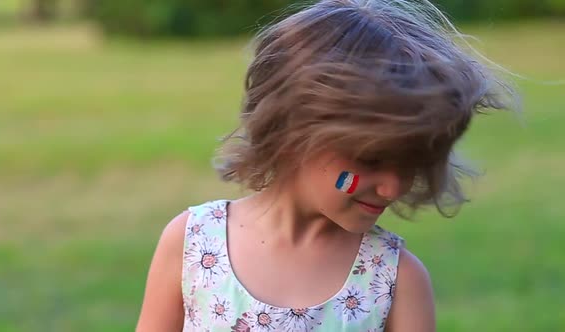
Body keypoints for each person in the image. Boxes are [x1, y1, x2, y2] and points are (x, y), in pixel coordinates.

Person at [136, 0, 515, 331]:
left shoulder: (395, 280)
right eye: (372, 159)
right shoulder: (194, 243)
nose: (393, 188)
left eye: (412, 164)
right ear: (291, 129)